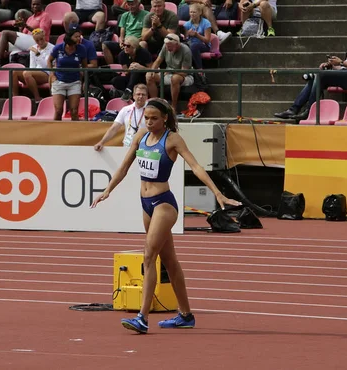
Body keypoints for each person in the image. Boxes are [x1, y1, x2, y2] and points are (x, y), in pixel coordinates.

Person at [91, 98, 241, 334]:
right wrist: (108, 189)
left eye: (154, 118)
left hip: (164, 204)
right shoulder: (141, 135)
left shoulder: (172, 139)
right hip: (146, 204)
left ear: (164, 119)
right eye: (147, 118)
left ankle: (142, 317)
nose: (149, 122)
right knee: (170, 261)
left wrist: (218, 193)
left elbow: (196, 166)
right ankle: (185, 315)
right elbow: (125, 165)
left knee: (149, 256)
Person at [273, 21, 347, 120]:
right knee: (317, 77)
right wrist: (332, 65)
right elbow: (344, 67)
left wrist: (341, 62)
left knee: (320, 75)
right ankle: (294, 109)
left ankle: (309, 111)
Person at [0, 0, 50, 67]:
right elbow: (23, 34)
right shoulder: (30, 18)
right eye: (33, 4)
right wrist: (21, 27)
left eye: (37, 4)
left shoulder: (45, 16)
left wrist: (26, 26)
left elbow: (41, 33)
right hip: (28, 42)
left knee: (5, 33)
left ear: (42, 5)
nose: (35, 6)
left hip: (38, 42)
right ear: (31, 6)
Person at [47, 26, 88, 121]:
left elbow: (85, 67)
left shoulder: (82, 49)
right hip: (59, 81)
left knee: (74, 111)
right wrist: (52, 74)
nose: (79, 39)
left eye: (80, 36)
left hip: (74, 82)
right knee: (58, 110)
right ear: (69, 37)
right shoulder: (58, 48)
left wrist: (84, 81)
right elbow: (49, 60)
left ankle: (76, 134)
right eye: (76, 37)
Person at [146, 33, 194, 113]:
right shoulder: (165, 46)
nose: (168, 48)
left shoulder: (186, 50)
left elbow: (184, 72)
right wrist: (152, 71)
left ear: (177, 44)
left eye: (170, 46)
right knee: (149, 76)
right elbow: (158, 61)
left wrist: (170, 71)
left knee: (175, 78)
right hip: (168, 73)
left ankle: (173, 106)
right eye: (167, 46)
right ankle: (156, 103)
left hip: (185, 76)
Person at [94, 83, 149, 150]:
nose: (140, 96)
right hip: (128, 147)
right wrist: (102, 142)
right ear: (133, 96)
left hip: (146, 147)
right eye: (138, 94)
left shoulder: (151, 110)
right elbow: (114, 128)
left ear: (147, 97)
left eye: (143, 94)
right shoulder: (125, 110)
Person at [12, 28, 54, 103]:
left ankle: (37, 97)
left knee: (27, 73)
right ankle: (15, 98)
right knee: (14, 72)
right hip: (35, 72)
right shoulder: (34, 48)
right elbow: (32, 66)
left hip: (47, 73)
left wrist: (38, 54)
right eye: (37, 40)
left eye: (41, 39)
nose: (40, 42)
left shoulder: (52, 48)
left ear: (44, 36)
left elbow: (46, 65)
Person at [111, 35, 152, 101]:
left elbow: (152, 69)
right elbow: (126, 72)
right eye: (124, 45)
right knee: (115, 80)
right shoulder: (122, 55)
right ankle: (128, 92)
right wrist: (130, 69)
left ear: (134, 47)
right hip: (130, 77)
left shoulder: (144, 53)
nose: (125, 47)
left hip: (143, 77)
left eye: (128, 46)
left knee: (136, 69)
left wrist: (142, 68)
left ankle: (128, 91)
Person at [183, 3, 212, 70]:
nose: (192, 14)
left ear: (200, 12)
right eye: (191, 12)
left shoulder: (206, 23)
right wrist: (187, 35)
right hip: (190, 43)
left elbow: (207, 40)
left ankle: (200, 69)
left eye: (194, 12)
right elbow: (185, 38)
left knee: (194, 46)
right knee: (182, 46)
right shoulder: (186, 24)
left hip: (204, 45)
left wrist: (197, 35)